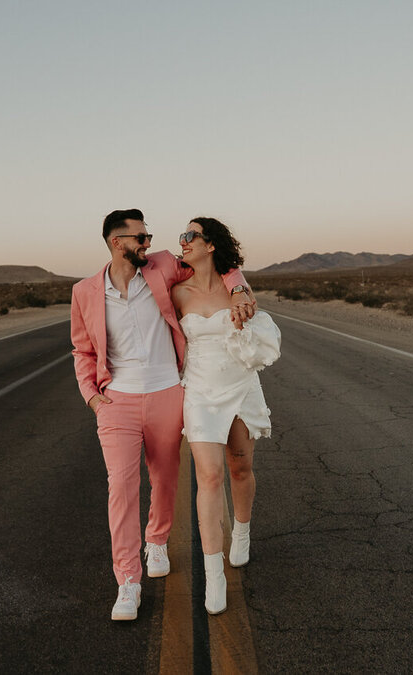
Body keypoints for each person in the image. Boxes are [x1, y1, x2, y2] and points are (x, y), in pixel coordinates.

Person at [70, 208, 255, 621]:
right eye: (141, 237)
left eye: (149, 236)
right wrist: (92, 397)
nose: (148, 243)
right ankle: (128, 582)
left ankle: (157, 541)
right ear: (117, 242)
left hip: (167, 392)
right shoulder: (84, 292)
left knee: (165, 479)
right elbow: (82, 350)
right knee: (121, 487)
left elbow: (220, 265)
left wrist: (240, 288)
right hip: (117, 400)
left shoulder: (162, 267)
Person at [172, 217, 279, 615]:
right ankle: (213, 574)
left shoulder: (238, 285)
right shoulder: (176, 291)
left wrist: (238, 289)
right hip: (199, 389)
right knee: (209, 475)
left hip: (240, 383)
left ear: (211, 244)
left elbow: (240, 287)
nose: (182, 242)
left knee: (240, 466)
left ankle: (243, 530)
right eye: (181, 237)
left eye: (190, 236)